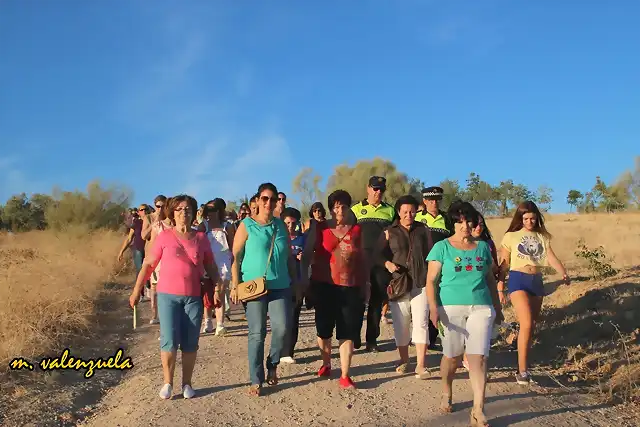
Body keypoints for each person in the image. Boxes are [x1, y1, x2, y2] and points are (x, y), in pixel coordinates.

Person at [129, 195, 220, 400]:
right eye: (178, 210)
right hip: (168, 296)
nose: (183, 213)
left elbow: (211, 266)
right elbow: (148, 264)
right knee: (169, 341)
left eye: (187, 209)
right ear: (172, 213)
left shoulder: (201, 238)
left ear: (193, 213)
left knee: (190, 343)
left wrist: (218, 287)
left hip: (193, 297)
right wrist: (137, 290)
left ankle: (187, 383)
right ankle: (168, 382)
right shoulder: (164, 237)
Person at [426, 201, 503, 426]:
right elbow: (431, 281)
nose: (465, 226)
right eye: (460, 221)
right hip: (450, 308)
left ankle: (478, 409)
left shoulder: (482, 248)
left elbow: (489, 279)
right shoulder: (442, 247)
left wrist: (498, 309)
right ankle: (446, 390)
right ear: (453, 223)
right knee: (452, 356)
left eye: (468, 221)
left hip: (481, 306)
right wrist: (433, 307)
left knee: (478, 358)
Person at [230, 183, 299, 396]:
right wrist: (235, 284)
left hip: (280, 285)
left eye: (272, 199)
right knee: (257, 333)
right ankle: (256, 379)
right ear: (258, 201)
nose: (268, 203)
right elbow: (235, 257)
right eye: (264, 198)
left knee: (282, 328)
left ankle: (273, 363)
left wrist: (295, 281)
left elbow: (288, 256)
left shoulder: (280, 226)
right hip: (253, 287)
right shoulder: (246, 225)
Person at [498, 201, 570, 385]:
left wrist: (563, 272)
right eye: (525, 218)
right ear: (520, 219)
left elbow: (550, 257)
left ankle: (516, 339)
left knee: (530, 326)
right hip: (517, 279)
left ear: (537, 218)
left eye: (532, 218)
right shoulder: (511, 236)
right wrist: (500, 286)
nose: (529, 221)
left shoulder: (542, 237)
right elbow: (504, 263)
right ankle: (522, 371)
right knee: (527, 323)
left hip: (536, 281)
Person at [302, 190, 368, 389]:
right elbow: (306, 255)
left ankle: (345, 374)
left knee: (347, 331)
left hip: (351, 286)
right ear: (330, 209)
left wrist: (367, 284)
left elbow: (363, 259)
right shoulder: (320, 228)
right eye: (336, 207)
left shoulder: (357, 230)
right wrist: (303, 281)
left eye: (343, 206)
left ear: (349, 208)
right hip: (324, 285)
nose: (339, 210)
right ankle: (326, 362)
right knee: (324, 330)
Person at [378, 195, 434, 379]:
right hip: (399, 282)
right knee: (401, 324)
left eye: (412, 211)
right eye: (405, 211)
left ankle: (421, 365)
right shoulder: (389, 231)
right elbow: (376, 254)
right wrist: (387, 264)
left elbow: (431, 254)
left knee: (421, 323)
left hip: (421, 282)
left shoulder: (424, 230)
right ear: (398, 212)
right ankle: (404, 360)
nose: (409, 215)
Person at [351, 176, 395, 352]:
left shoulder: (390, 211)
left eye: (381, 189)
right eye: (375, 188)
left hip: (380, 262)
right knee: (357, 300)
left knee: (376, 301)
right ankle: (354, 336)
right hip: (359, 261)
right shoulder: (355, 210)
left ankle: (372, 340)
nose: (378, 192)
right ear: (368, 189)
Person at [416, 186, 454, 349]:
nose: (434, 203)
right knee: (419, 302)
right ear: (424, 201)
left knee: (436, 300)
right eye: (430, 200)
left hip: (440, 265)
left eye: (437, 200)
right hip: (420, 264)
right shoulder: (416, 217)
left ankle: (432, 338)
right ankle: (418, 337)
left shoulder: (447, 219)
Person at [198, 198, 234, 335]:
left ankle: (220, 324)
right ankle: (207, 320)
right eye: (208, 210)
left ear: (219, 211)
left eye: (213, 209)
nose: (210, 213)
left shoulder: (227, 226)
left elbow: (232, 246)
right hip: (207, 263)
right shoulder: (203, 226)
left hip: (223, 262)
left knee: (220, 292)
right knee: (208, 293)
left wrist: (234, 261)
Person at [280, 207, 306, 364]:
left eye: (293, 223)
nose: (290, 226)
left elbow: (311, 258)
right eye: (287, 223)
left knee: (294, 317)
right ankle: (280, 348)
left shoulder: (302, 239)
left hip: (297, 282)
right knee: (281, 318)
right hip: (281, 282)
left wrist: (305, 257)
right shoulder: (279, 239)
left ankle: (289, 351)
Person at [118, 204, 149, 300]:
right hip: (138, 249)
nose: (143, 211)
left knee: (149, 270)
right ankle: (140, 293)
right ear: (138, 212)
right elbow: (129, 238)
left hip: (149, 249)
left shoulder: (151, 221)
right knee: (140, 270)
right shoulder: (136, 222)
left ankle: (149, 290)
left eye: (145, 209)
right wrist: (121, 251)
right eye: (141, 210)